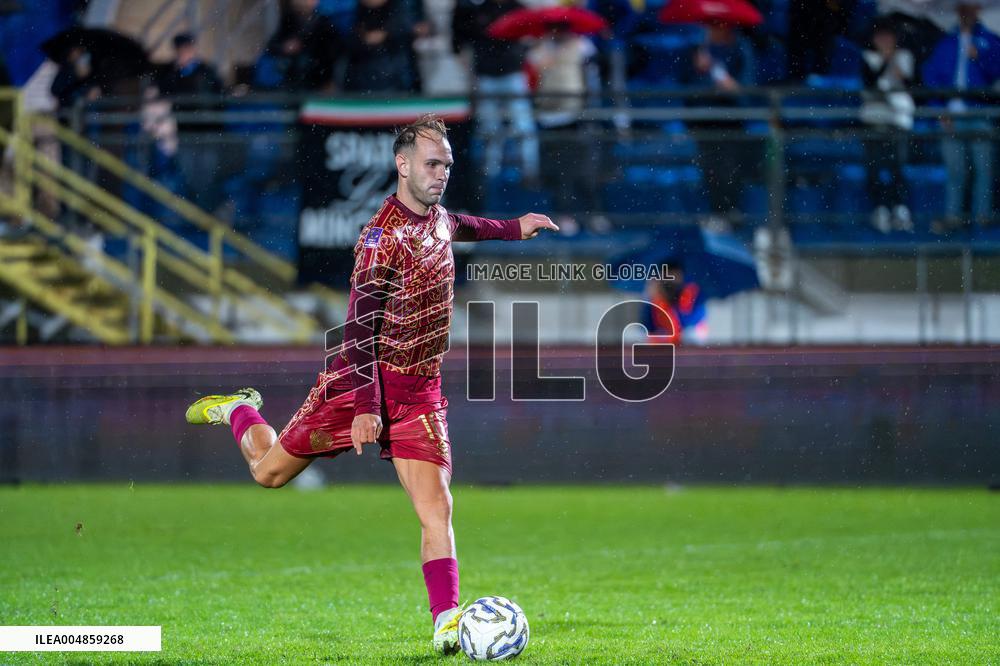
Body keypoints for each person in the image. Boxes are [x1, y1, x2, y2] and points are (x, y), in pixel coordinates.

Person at [183, 115, 557, 655]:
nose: (441, 173)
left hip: (419, 392)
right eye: (432, 164)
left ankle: (446, 622)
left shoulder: (436, 218)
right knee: (268, 475)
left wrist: (514, 226)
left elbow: (463, 225)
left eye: (447, 165)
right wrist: (363, 406)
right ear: (401, 165)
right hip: (358, 385)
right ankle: (240, 410)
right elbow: (357, 330)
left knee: (438, 507)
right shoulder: (381, 239)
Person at [922, 1, 1000, 232]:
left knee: (983, 169)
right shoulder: (946, 43)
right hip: (951, 114)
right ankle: (954, 217)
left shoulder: (991, 41)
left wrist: (980, 58)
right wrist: (939, 109)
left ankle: (982, 217)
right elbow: (932, 78)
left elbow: (995, 74)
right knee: (955, 169)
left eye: (970, 8)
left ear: (977, 11)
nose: (966, 13)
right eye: (962, 9)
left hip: (980, 111)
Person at [452, 0, 539, 185]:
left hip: (513, 73)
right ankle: (489, 175)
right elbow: (462, 37)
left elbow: (532, 38)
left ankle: (530, 174)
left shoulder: (517, 9)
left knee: (523, 126)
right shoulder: (480, 10)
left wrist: (519, 47)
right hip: (486, 76)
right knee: (489, 128)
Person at [680, 22, 755, 232]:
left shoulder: (741, 48)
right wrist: (700, 71)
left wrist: (723, 79)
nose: (713, 28)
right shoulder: (696, 51)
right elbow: (688, 88)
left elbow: (745, 89)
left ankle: (731, 215)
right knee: (710, 171)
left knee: (729, 170)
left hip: (732, 122)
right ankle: (715, 214)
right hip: (704, 122)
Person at [860, 18, 914, 233]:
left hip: (899, 120)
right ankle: (880, 209)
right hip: (874, 120)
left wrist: (900, 71)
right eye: (881, 37)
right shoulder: (867, 58)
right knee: (875, 168)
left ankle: (899, 208)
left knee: (897, 167)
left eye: (888, 36)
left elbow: (915, 85)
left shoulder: (906, 57)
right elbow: (870, 84)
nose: (885, 40)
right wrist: (885, 61)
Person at [262, 0, 341, 92]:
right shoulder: (289, 20)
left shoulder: (325, 24)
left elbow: (333, 53)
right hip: (291, 77)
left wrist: (329, 79)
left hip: (317, 78)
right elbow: (271, 45)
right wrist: (285, 47)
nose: (301, 3)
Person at [342, 0, 417, 93]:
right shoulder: (355, 12)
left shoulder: (400, 12)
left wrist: (386, 34)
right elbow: (348, 44)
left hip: (394, 79)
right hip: (360, 81)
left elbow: (406, 33)